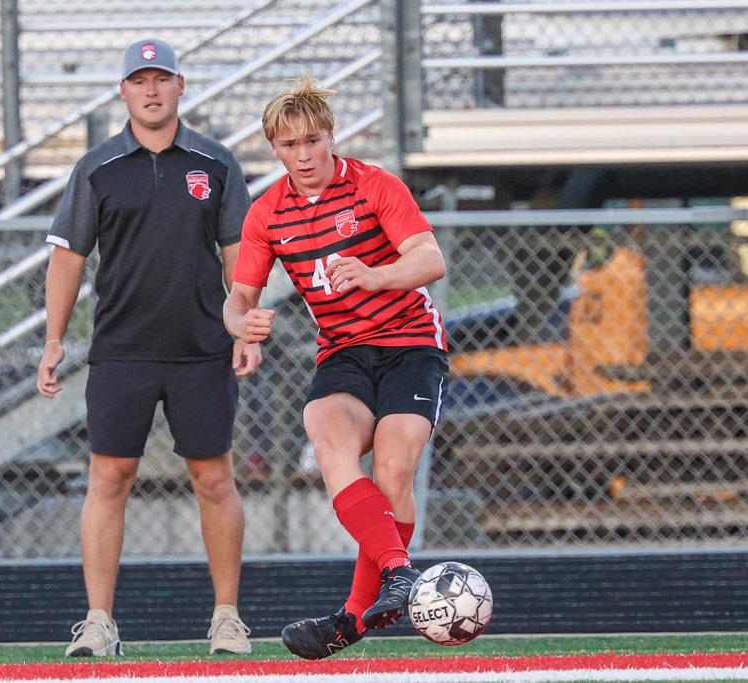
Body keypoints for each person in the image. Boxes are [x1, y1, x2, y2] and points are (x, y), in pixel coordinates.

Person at [37, 38, 260, 657]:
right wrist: (53, 341)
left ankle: (227, 619)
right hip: (122, 350)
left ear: (181, 86)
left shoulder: (216, 162)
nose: (152, 90)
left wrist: (243, 327)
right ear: (124, 92)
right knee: (109, 476)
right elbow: (68, 258)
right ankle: (98, 623)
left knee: (213, 477)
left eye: (162, 78)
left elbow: (240, 255)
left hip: (202, 348)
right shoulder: (97, 167)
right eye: (140, 80)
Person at [223, 75, 448, 660]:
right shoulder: (266, 214)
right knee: (328, 439)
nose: (303, 155)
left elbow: (430, 259)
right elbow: (238, 297)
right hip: (343, 351)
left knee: (394, 468)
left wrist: (376, 275)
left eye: (313, 141)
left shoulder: (375, 186)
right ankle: (399, 574)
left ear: (331, 137)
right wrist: (241, 325)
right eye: (289, 144)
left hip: (410, 343)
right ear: (273, 148)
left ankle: (352, 618)